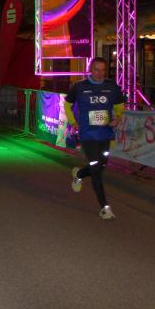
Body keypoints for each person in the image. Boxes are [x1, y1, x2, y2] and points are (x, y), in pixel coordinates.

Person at [65, 57, 125, 221]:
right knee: (96, 170)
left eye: (103, 70)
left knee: (101, 164)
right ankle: (105, 208)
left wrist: (117, 117)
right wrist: (73, 123)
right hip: (87, 134)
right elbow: (67, 105)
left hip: (105, 133)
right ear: (90, 70)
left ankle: (79, 174)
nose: (99, 73)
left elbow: (119, 106)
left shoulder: (111, 87)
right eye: (96, 69)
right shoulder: (79, 87)